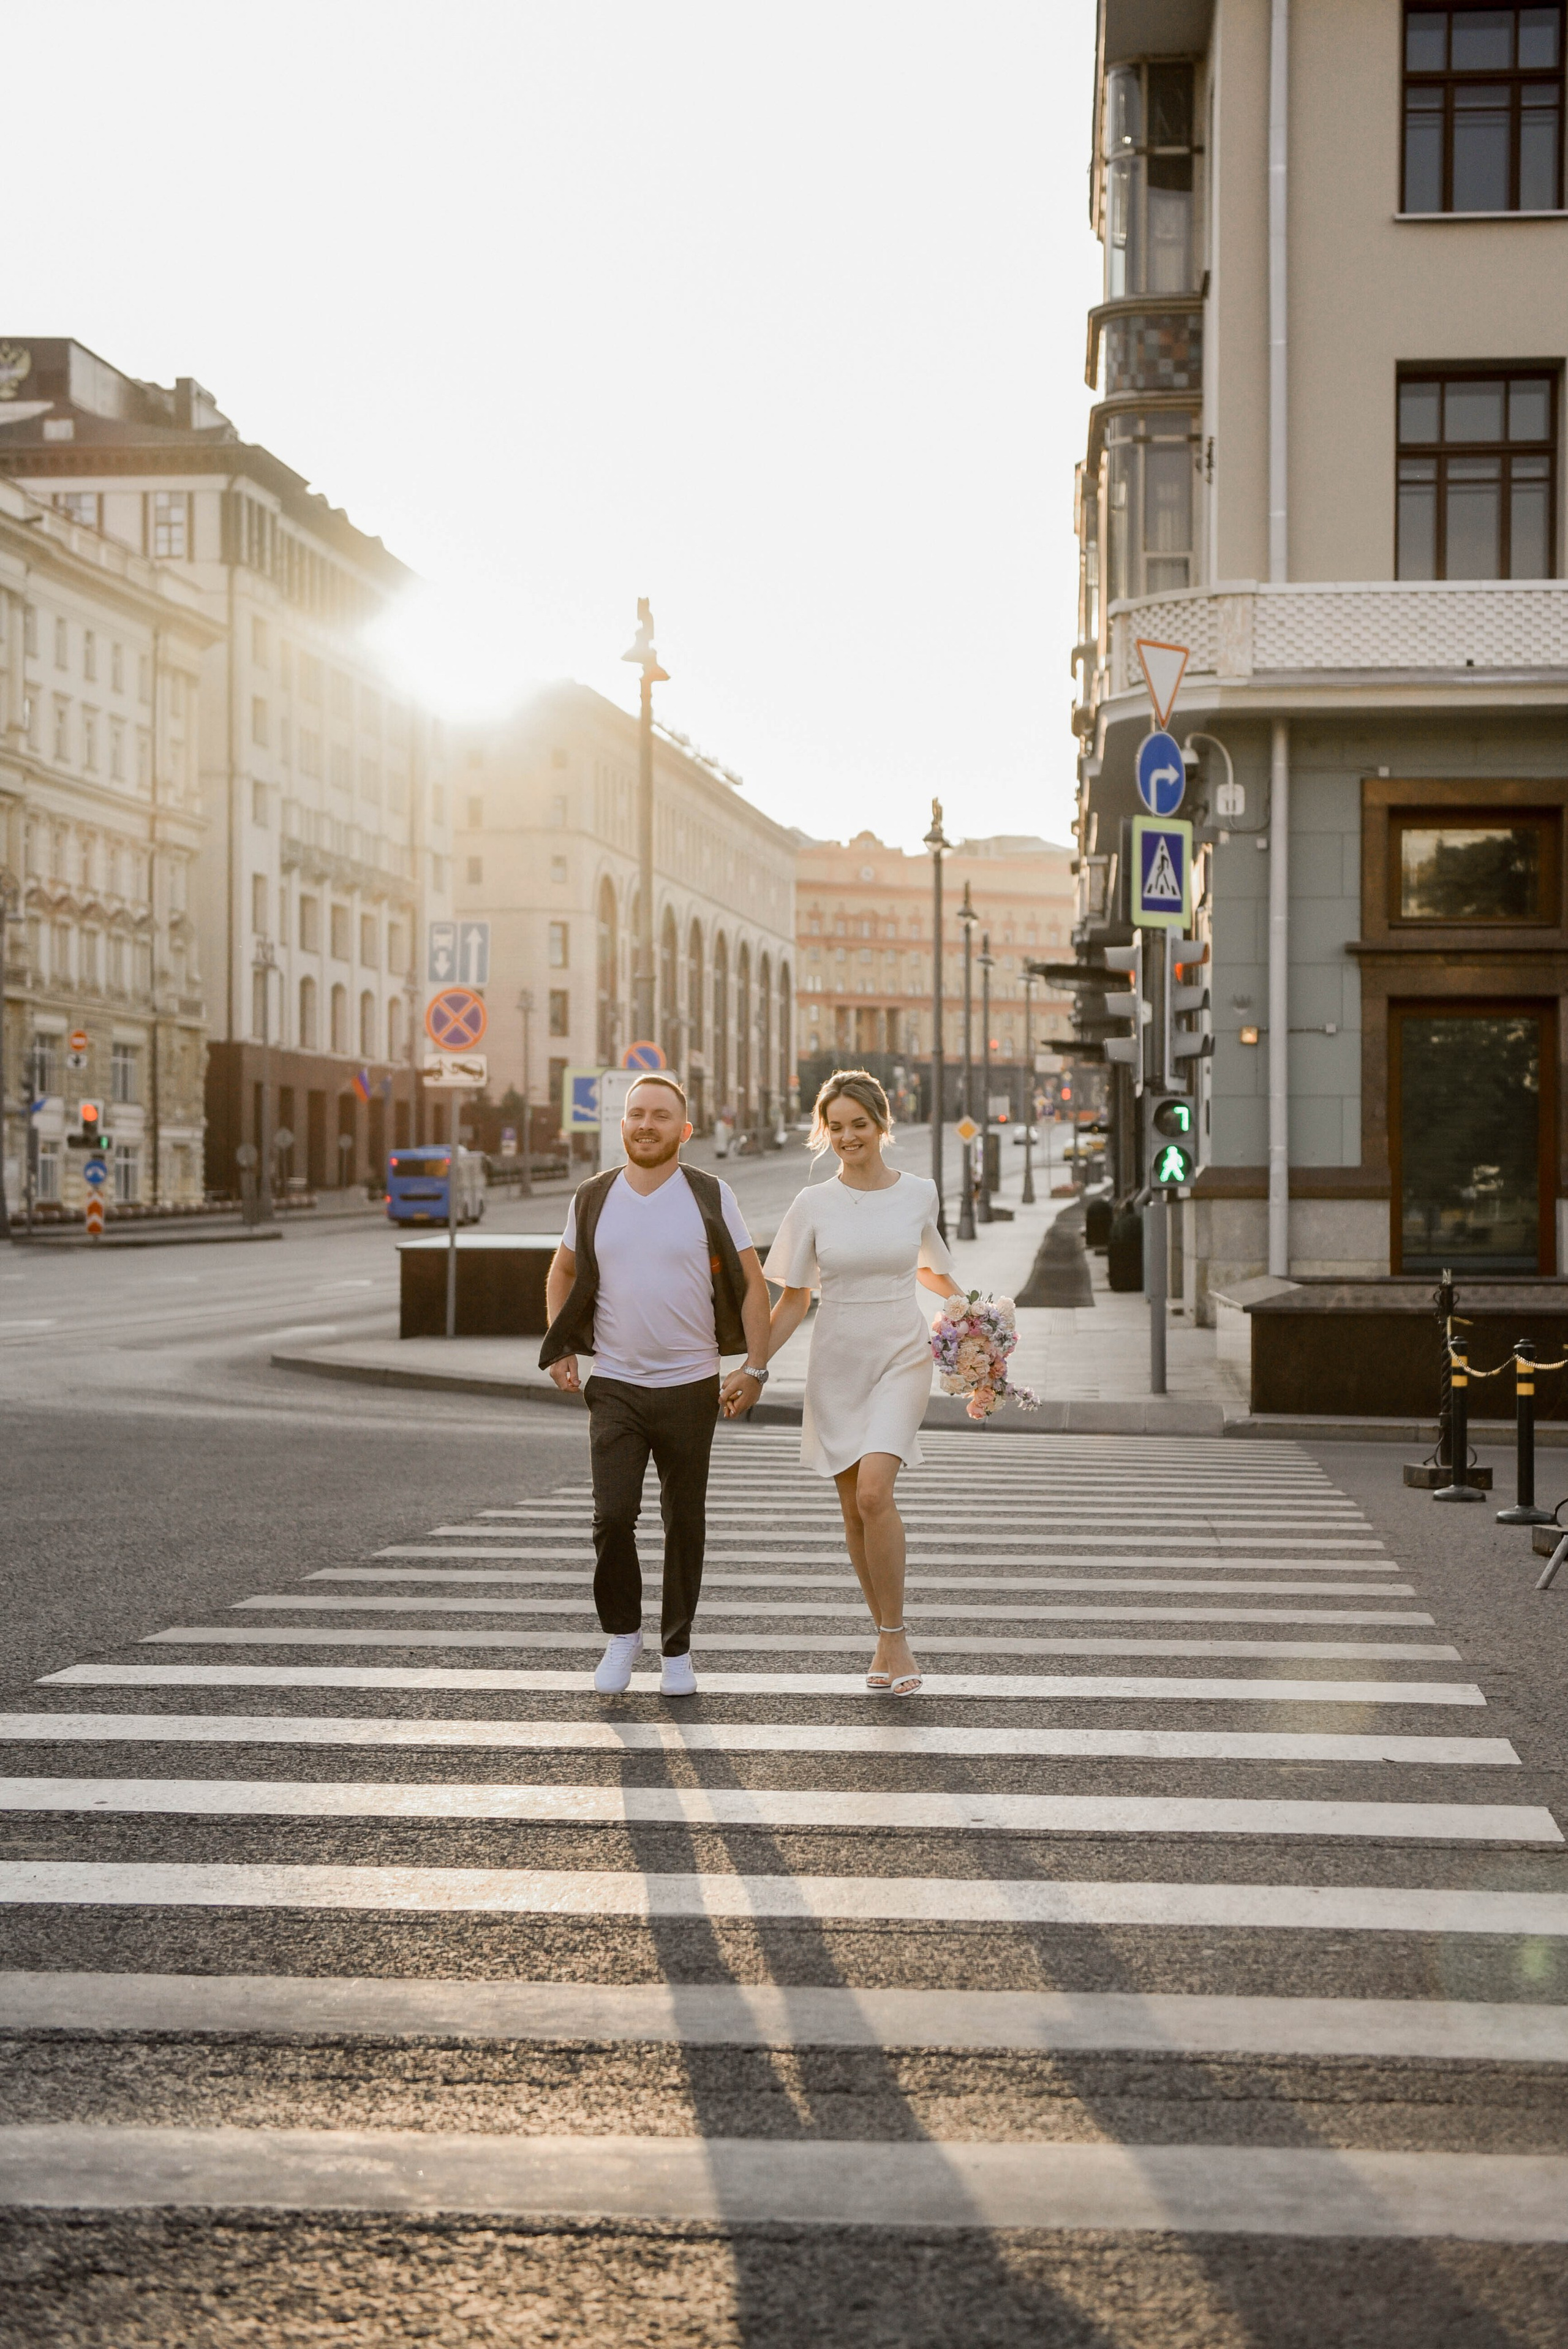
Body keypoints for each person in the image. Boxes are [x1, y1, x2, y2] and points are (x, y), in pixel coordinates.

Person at [539, 1074, 773, 1696]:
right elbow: (560, 1270)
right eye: (637, 1114)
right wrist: (560, 1342)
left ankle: (676, 1648)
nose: (647, 1124)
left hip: (691, 1386)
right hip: (614, 1384)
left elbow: (754, 1285)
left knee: (683, 1521)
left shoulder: (710, 1194)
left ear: (683, 1130)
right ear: (622, 1125)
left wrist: (754, 1367)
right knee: (612, 1518)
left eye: (661, 1116)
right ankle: (622, 1635)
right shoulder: (592, 1197)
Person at [758, 1069, 963, 1698]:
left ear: (881, 1125)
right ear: (826, 1131)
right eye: (837, 1127)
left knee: (875, 1494)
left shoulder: (918, 1193)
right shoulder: (813, 1203)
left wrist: (977, 1314)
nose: (849, 1137)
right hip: (837, 1357)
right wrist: (752, 1365)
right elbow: (793, 1299)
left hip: (902, 1353)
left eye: (860, 1125)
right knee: (853, 1508)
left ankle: (896, 1635)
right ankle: (882, 1631)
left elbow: (932, 1270)